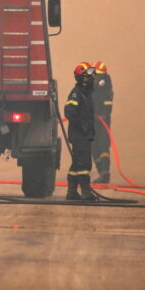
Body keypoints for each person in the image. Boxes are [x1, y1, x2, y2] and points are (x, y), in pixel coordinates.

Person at [64, 62, 97, 201]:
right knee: (84, 164)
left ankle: (71, 192)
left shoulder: (86, 94)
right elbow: (69, 111)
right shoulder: (76, 94)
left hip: (84, 134)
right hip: (79, 135)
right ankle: (85, 192)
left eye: (90, 77)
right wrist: (81, 125)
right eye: (85, 77)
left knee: (77, 163)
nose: (89, 80)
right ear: (79, 78)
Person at [91, 61, 114, 184]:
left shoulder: (105, 85)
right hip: (92, 120)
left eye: (100, 74)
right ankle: (102, 173)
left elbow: (108, 101)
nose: (98, 77)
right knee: (93, 146)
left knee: (103, 145)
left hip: (102, 121)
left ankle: (105, 172)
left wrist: (103, 115)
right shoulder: (90, 84)